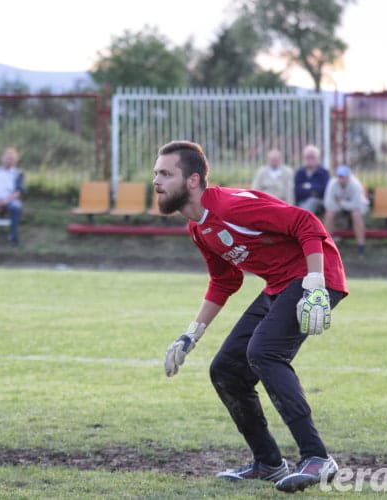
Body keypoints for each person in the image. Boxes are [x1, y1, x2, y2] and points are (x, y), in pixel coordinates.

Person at [155, 140, 347, 493]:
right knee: (225, 370)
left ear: (193, 180)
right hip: (279, 284)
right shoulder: (199, 228)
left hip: (314, 275)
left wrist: (315, 285)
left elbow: (306, 223)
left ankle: (317, 457)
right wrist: (190, 335)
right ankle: (269, 463)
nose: (157, 181)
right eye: (156, 173)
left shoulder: (230, 207)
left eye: (166, 173)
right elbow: (225, 281)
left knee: (263, 352)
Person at [323, 165, 369, 256]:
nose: (341, 179)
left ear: (348, 176)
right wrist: (345, 205)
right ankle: (325, 245)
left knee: (356, 214)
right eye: (339, 177)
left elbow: (357, 205)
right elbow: (328, 204)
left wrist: (341, 203)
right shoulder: (332, 184)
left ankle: (361, 245)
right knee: (329, 214)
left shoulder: (355, 184)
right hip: (341, 209)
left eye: (343, 177)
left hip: (355, 209)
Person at [293, 145, 330, 215]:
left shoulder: (324, 172)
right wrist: (313, 190)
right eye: (308, 157)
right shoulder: (299, 172)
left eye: (312, 157)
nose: (310, 159)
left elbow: (324, 189)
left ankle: (303, 219)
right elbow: (297, 190)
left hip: (320, 202)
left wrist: (306, 187)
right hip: (302, 202)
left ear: (318, 158)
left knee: (311, 202)